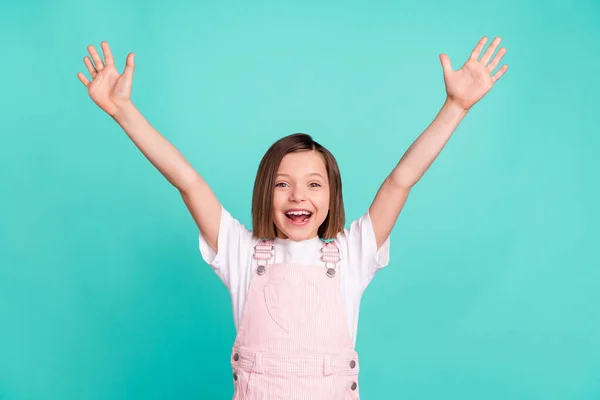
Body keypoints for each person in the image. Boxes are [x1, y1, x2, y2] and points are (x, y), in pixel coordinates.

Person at [77, 37, 508, 399]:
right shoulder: (240, 253)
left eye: (314, 184)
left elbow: (401, 180)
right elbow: (187, 181)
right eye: (282, 183)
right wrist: (123, 112)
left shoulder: (351, 254)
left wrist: (455, 107)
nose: (297, 195)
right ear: (265, 192)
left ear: (332, 195)